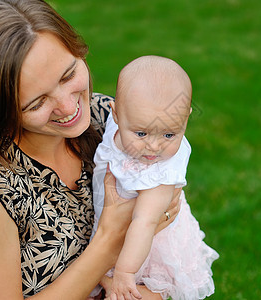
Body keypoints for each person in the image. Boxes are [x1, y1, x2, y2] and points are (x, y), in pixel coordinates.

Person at [0, 0, 181, 298]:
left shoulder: (107, 120)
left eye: (68, 75)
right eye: (37, 102)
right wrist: (109, 242)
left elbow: (169, 219)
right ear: (0, 111)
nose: (67, 106)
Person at [91, 55, 219, 300]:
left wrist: (125, 273)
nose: (154, 146)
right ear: (115, 114)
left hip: (144, 245)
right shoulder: (114, 124)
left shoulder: (161, 172)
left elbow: (145, 222)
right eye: (141, 133)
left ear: (186, 118)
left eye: (169, 135)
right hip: (112, 224)